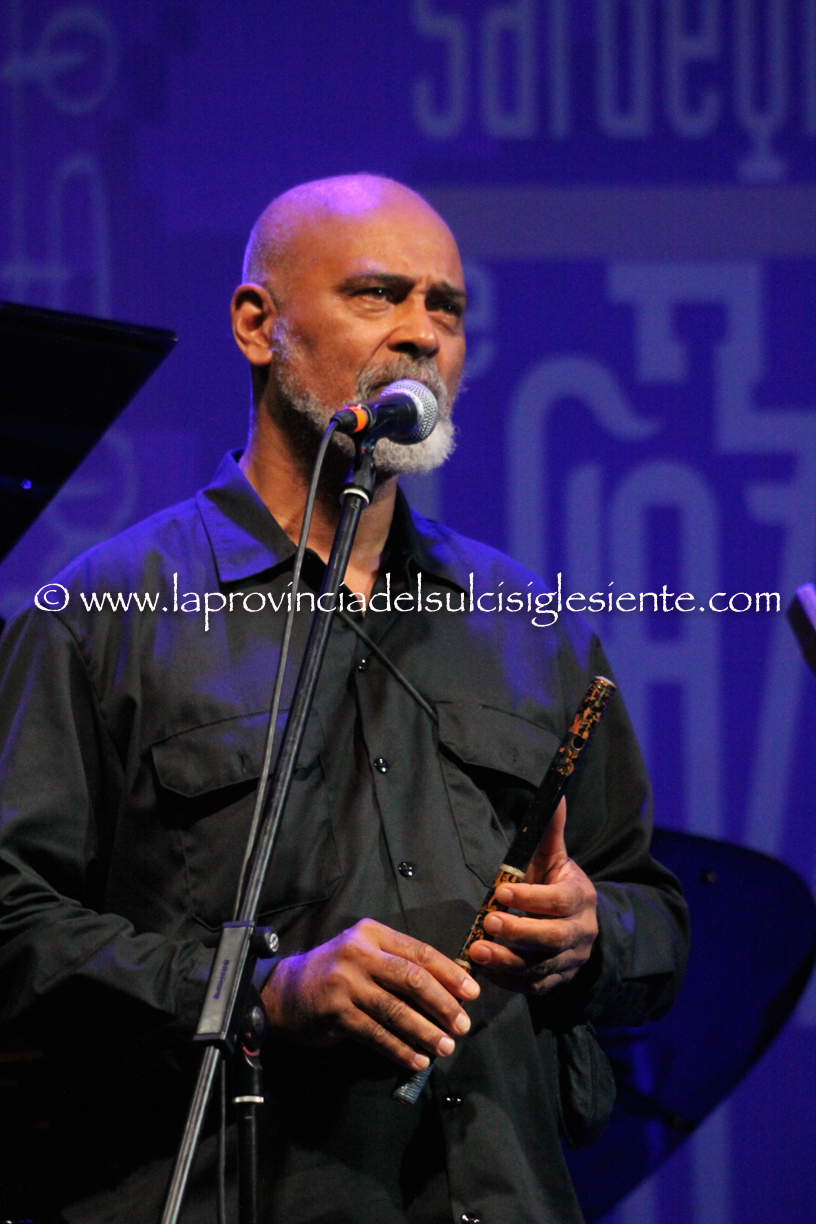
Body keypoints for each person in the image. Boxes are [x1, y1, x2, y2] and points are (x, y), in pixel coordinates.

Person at [0, 175, 689, 1224]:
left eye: (446, 307)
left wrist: (594, 934)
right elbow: (14, 926)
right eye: (378, 295)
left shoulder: (529, 624)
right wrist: (260, 994)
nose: (422, 333)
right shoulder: (101, 616)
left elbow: (658, 917)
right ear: (258, 325)